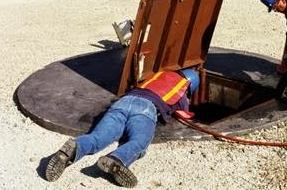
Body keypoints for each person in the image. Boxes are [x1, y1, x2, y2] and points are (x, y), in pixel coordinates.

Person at [45, 68, 199, 188]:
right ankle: (116, 159)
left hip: (123, 102)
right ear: (190, 86)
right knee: (139, 141)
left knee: (98, 137)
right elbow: (183, 113)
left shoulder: (159, 75)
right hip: (145, 109)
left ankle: (75, 148)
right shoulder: (182, 88)